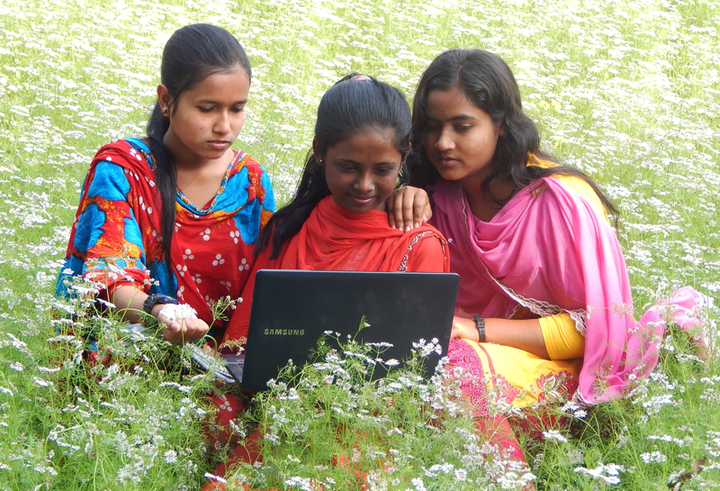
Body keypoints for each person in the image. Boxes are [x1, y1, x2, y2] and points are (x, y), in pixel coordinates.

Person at [396, 48, 703, 460]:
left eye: (462, 126)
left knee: (452, 366)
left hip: (567, 373)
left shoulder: (560, 204)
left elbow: (596, 328)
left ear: (501, 125)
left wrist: (477, 330)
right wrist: (404, 194)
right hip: (467, 352)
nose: (442, 143)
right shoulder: (434, 197)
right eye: (432, 128)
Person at [204, 74, 450, 487]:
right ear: (320, 152)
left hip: (364, 417)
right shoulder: (292, 227)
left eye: (384, 170)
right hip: (275, 397)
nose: (365, 184)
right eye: (349, 167)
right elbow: (242, 341)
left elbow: (417, 373)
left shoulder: (419, 245)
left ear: (404, 160)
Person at [55, 23, 275, 347]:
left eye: (237, 108)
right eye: (207, 108)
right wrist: (161, 312)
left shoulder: (251, 184)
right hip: (134, 361)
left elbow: (264, 289)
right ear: (166, 100)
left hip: (224, 368)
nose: (224, 126)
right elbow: (110, 277)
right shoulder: (123, 170)